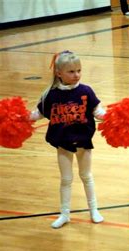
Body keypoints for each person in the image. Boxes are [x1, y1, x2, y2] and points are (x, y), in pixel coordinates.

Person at [30, 51, 106, 229]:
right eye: (71, 71)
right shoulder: (51, 94)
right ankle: (65, 214)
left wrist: (114, 116)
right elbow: (37, 114)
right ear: (59, 73)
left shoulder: (86, 91)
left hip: (83, 140)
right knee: (66, 179)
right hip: (63, 142)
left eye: (79, 70)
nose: (76, 74)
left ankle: (93, 210)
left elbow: (98, 112)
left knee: (86, 176)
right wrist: (19, 117)